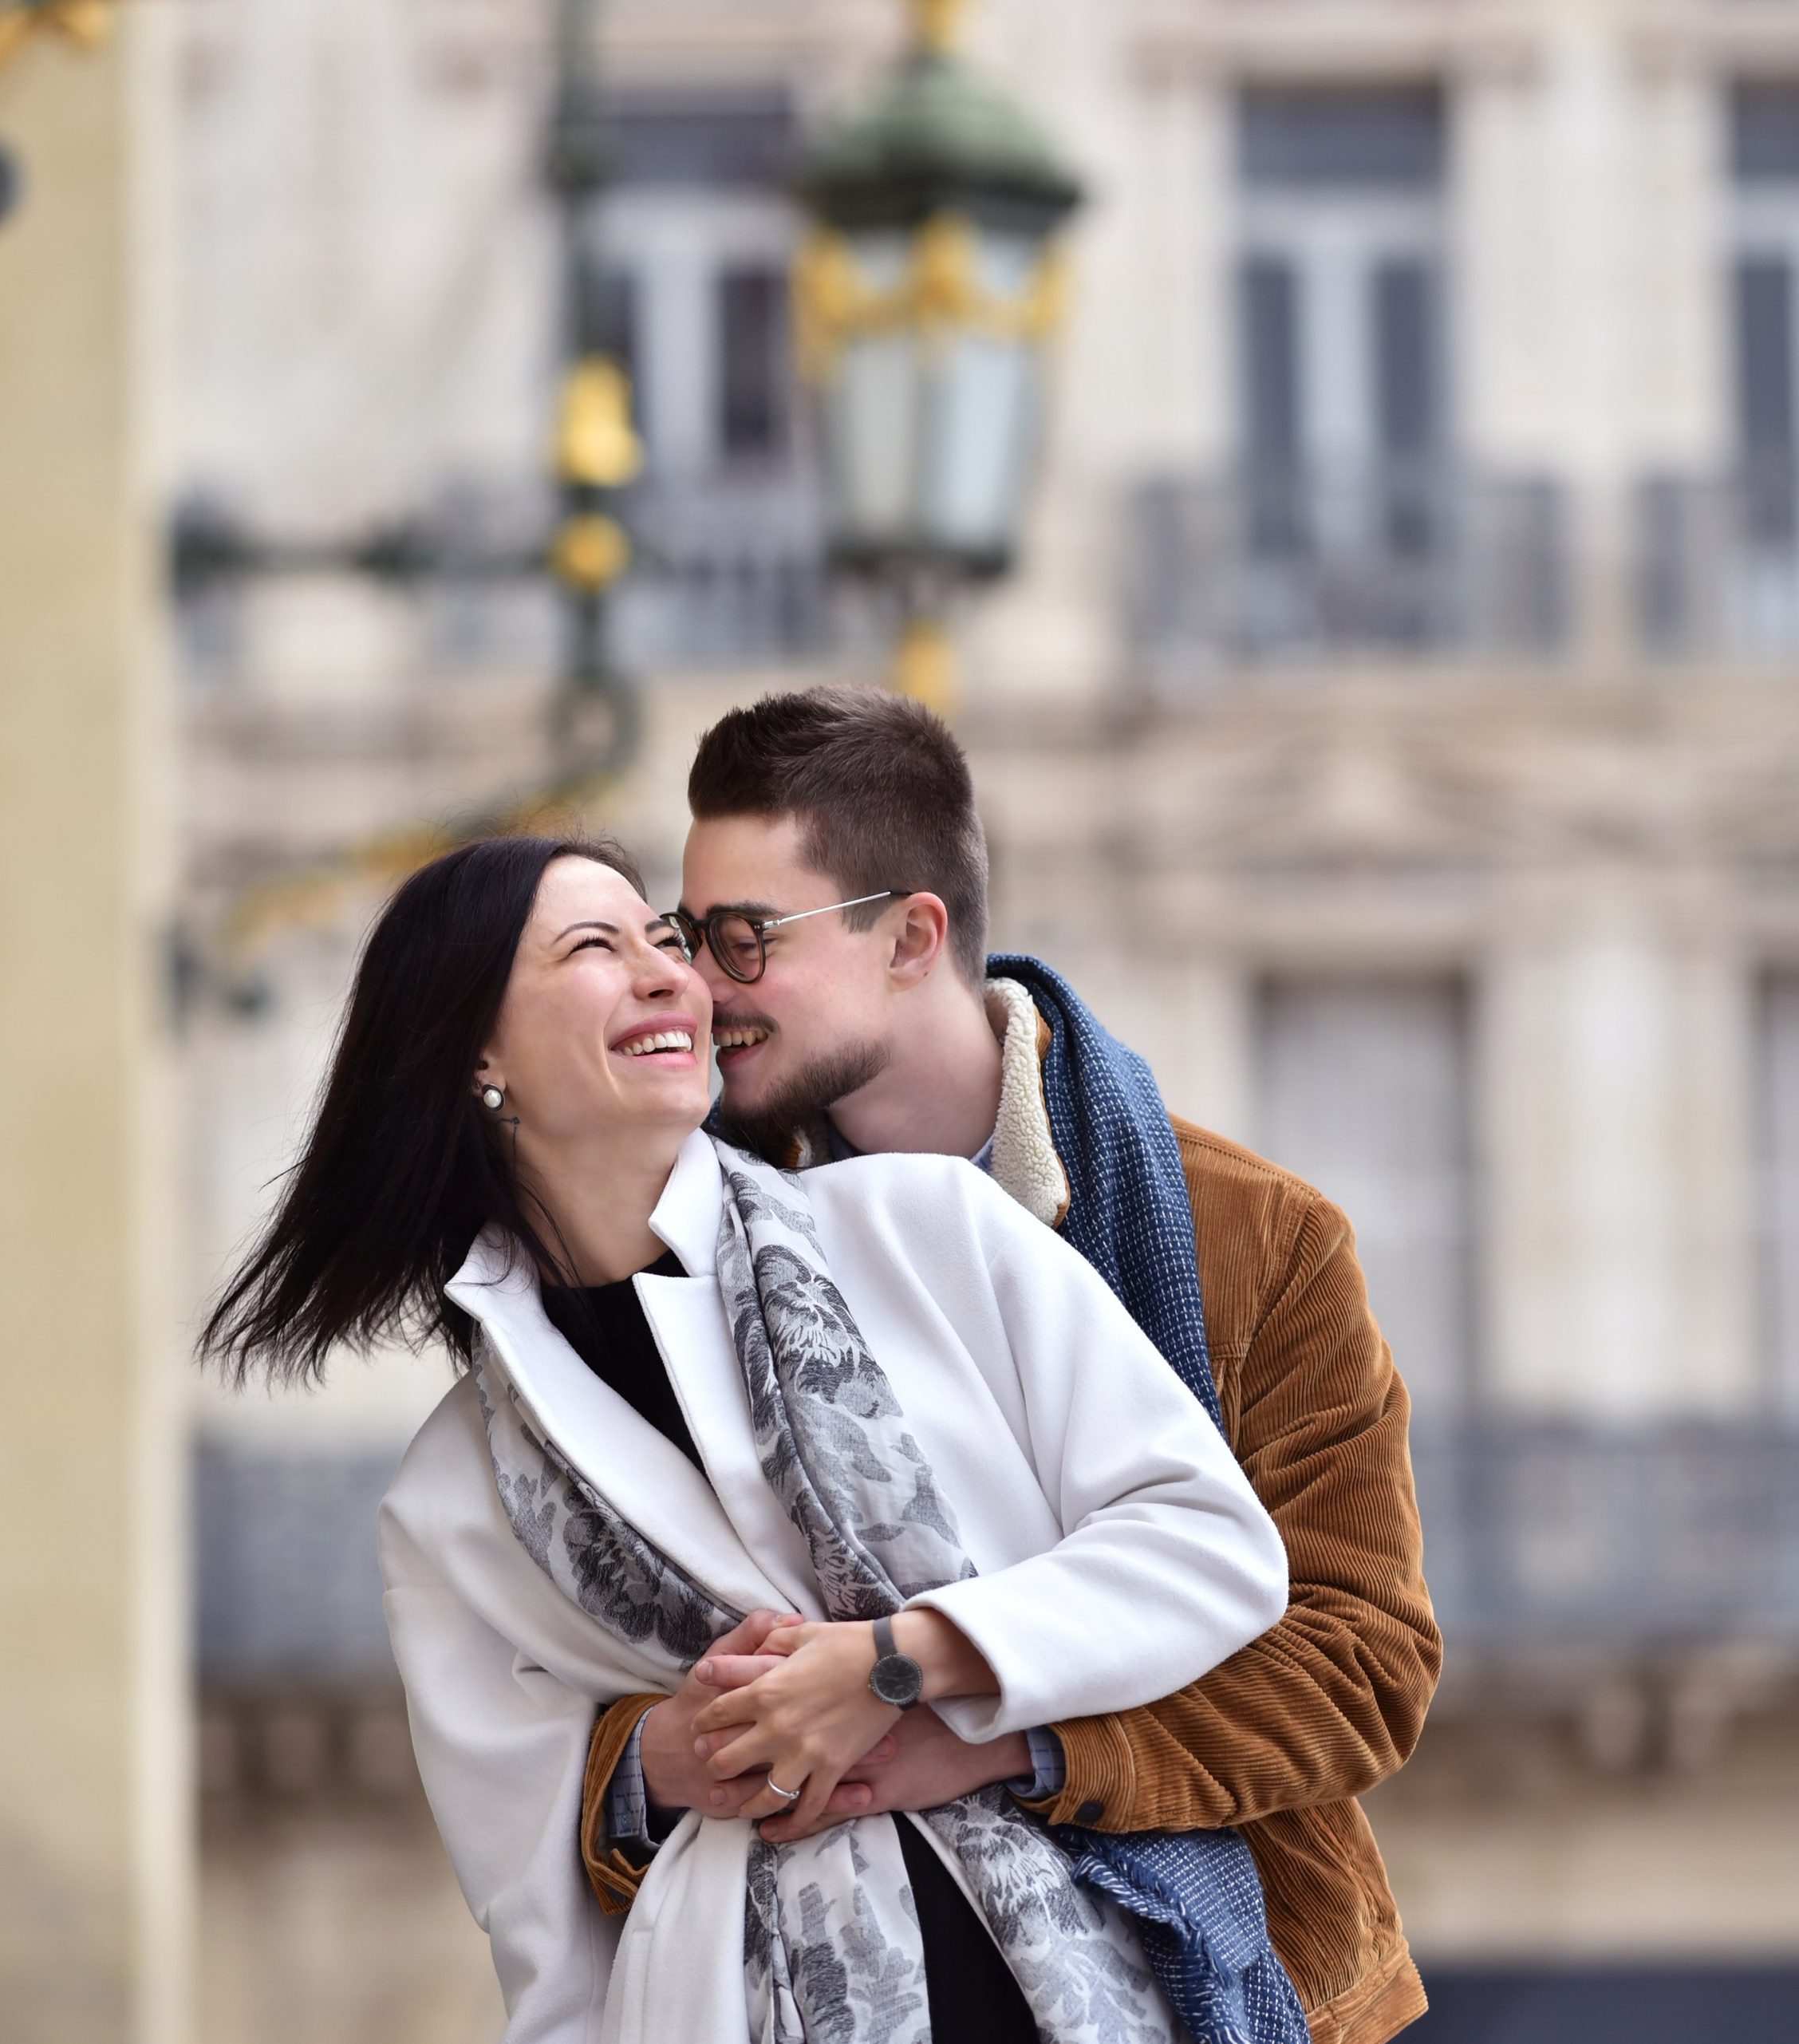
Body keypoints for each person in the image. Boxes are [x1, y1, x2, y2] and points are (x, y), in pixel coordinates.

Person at [200, 834, 1294, 2044]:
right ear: (477, 1054)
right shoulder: (453, 1496)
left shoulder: (924, 1226)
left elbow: (1210, 1543)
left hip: (1076, 1981)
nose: (672, 974)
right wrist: (650, 1764)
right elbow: (545, 1942)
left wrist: (897, 1657)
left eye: (663, 939)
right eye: (592, 949)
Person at [577, 690, 1442, 2044]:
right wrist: (673, 1748)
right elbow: (594, 1665)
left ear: (912, 935)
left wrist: (998, 1733)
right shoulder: (679, 1256)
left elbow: (1358, 1661)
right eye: (691, 939)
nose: (703, 985)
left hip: (1236, 1974)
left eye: (744, 938)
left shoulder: (1258, 1237)